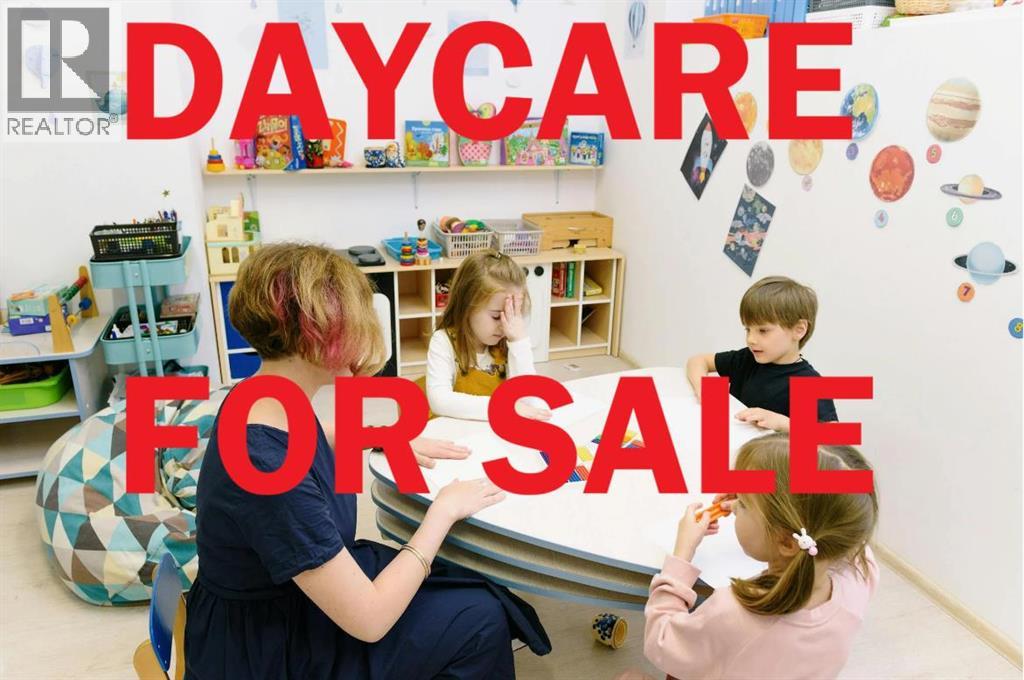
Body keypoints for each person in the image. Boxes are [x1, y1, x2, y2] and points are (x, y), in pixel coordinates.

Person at [184, 243, 549, 679]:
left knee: (463, 581)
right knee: (479, 619)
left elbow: (305, 437)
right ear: (317, 336)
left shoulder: (259, 395)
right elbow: (370, 619)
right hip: (269, 648)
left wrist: (381, 437)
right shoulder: (269, 468)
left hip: (273, 604)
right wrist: (442, 512)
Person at [639, 434, 879, 680]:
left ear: (787, 542)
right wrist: (752, 498)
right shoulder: (861, 574)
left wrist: (682, 552)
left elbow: (662, 642)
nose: (734, 506)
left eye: (743, 504)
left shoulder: (734, 612)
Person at [686, 276, 838, 432]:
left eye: (763, 331)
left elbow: (835, 438)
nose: (751, 339)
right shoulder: (747, 358)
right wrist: (702, 388)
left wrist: (782, 423)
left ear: (799, 330)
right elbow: (698, 360)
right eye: (748, 330)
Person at [425, 249, 550, 421]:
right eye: (497, 316)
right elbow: (440, 401)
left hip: (493, 431)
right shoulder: (443, 341)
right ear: (467, 306)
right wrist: (504, 406)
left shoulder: (509, 341)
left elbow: (528, 399)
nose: (505, 325)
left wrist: (519, 341)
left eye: (512, 315)